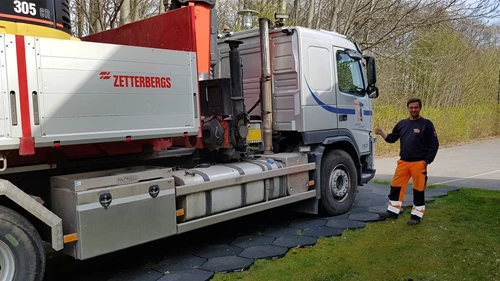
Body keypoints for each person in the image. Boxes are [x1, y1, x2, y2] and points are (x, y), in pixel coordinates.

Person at [374, 98, 439, 225]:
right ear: (408, 108)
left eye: (416, 107)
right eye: (411, 107)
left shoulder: (427, 124)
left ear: (420, 108)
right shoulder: (402, 124)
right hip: (403, 162)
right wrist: (381, 133)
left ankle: (416, 215)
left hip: (419, 163)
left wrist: (426, 161)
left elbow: (434, 144)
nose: (413, 110)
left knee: (418, 190)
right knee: (396, 187)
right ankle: (392, 212)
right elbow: (392, 139)